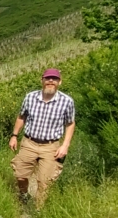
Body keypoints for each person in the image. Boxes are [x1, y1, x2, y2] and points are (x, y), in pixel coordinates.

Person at [9, 68, 75, 207]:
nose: (51, 81)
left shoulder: (67, 101)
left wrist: (65, 145)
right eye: (47, 78)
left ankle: (39, 212)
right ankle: (23, 196)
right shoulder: (30, 97)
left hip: (51, 147)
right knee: (20, 176)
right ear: (42, 81)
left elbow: (70, 124)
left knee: (45, 182)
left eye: (54, 79)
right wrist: (14, 135)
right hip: (29, 142)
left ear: (59, 82)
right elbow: (22, 116)